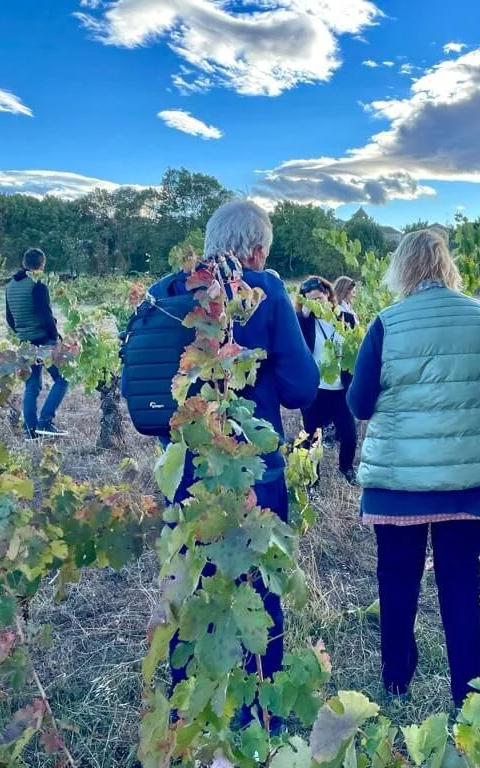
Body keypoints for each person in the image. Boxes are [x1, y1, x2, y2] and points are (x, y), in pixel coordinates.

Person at [154, 201, 320, 711]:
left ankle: (188, 713)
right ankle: (258, 716)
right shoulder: (265, 288)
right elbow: (302, 387)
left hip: (187, 472)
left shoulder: (165, 291)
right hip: (254, 473)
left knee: (191, 591)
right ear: (256, 249)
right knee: (259, 595)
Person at [347, 229, 480, 709]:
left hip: (400, 483)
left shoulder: (387, 322)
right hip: (469, 483)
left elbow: (358, 403)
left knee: (397, 582)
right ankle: (469, 697)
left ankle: (397, 681)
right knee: (461, 586)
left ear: (402, 268)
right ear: (447, 265)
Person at [295, 275, 358, 485]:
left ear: (328, 296)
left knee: (349, 432)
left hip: (340, 388)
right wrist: (303, 318)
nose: (316, 303)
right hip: (315, 389)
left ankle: (346, 468)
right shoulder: (303, 323)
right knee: (312, 435)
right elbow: (296, 349)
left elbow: (355, 348)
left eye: (319, 298)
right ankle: (312, 480)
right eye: (311, 299)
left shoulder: (345, 319)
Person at [5, 247, 69, 439]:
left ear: (25, 263)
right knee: (62, 380)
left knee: (31, 387)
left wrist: (22, 333)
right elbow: (45, 315)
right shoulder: (38, 284)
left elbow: (9, 319)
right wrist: (56, 337)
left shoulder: (10, 286)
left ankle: (30, 430)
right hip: (43, 341)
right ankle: (45, 422)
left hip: (25, 343)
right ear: (41, 265)